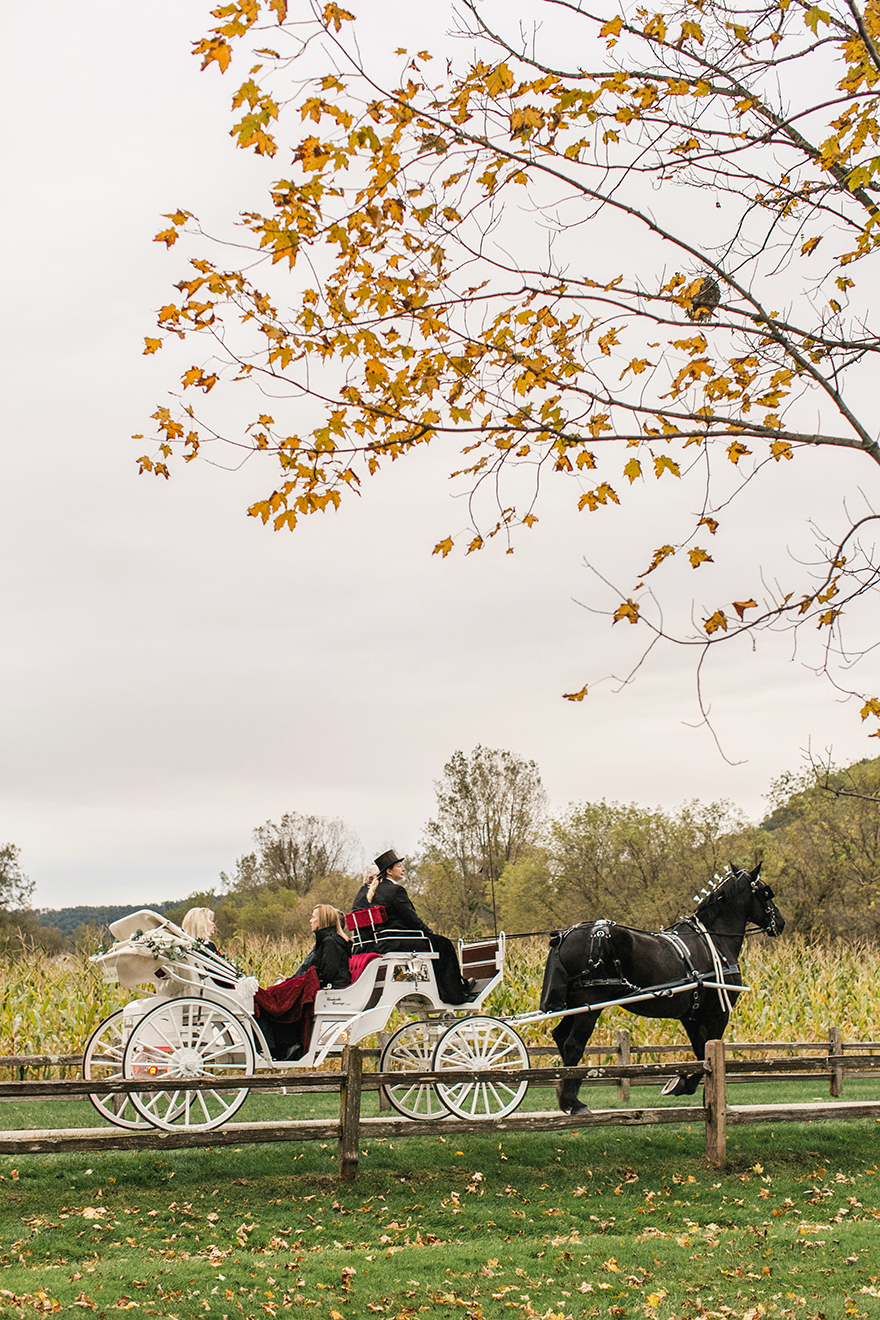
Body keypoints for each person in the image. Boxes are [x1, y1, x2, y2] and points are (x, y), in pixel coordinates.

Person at [351, 850, 476, 1005]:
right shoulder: (396, 891)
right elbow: (412, 920)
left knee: (438, 943)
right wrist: (429, 933)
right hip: (398, 940)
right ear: (389, 871)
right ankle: (455, 991)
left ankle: (445, 988)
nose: (403, 869)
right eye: (399, 866)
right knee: (443, 944)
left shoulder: (375, 891)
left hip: (385, 939)